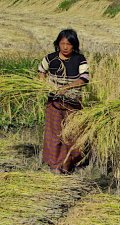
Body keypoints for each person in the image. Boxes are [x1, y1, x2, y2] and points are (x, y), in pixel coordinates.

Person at [38, 29, 89, 174]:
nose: (65, 47)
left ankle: (68, 163)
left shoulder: (80, 59)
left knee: (72, 134)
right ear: (57, 44)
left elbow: (84, 78)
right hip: (54, 103)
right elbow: (41, 71)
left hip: (73, 103)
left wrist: (67, 87)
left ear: (74, 45)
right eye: (62, 43)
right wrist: (44, 85)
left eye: (69, 44)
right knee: (54, 134)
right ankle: (55, 165)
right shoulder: (50, 58)